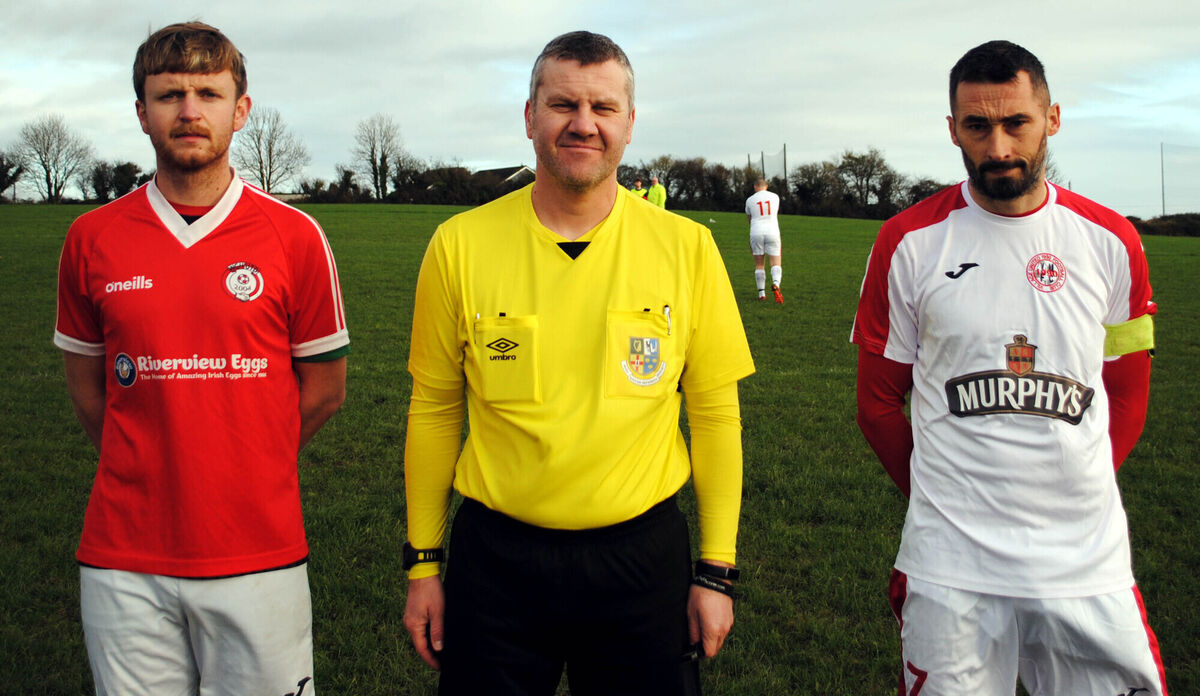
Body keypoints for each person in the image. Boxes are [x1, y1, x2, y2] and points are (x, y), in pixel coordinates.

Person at [402, 30, 754, 696]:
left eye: (602, 108)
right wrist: (423, 564)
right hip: (496, 562)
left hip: (641, 562)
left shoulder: (688, 249)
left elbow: (714, 414)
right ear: (530, 117)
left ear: (628, 124)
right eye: (563, 104)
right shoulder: (459, 245)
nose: (582, 124)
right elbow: (435, 407)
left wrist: (715, 571)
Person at [852, 40, 1166, 695]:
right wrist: (943, 503)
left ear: (1051, 119)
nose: (997, 148)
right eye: (977, 127)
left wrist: (1076, 491)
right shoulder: (908, 243)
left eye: (1015, 123)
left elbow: (1128, 393)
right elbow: (879, 403)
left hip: (1085, 561)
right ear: (952, 130)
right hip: (950, 564)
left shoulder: (1114, 242)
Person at [55, 21, 348, 694]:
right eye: (169, 95)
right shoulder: (90, 238)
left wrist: (245, 458)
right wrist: (152, 460)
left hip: (259, 551)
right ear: (141, 113)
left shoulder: (296, 237)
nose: (189, 111)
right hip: (123, 557)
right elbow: (87, 389)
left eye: (208, 93)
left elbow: (326, 390)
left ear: (240, 110)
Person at [745, 178, 783, 303]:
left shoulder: (750, 200)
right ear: (766, 186)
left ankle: (761, 293)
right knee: (775, 262)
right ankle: (776, 284)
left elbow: (749, 219)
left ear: (755, 187)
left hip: (756, 231)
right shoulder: (775, 197)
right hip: (772, 231)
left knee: (759, 264)